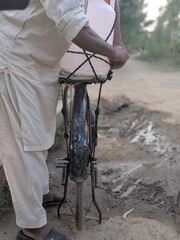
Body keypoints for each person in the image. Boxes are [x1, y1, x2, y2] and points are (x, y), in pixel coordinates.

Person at [0, 0, 129, 240]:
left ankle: (41, 194)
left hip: (39, 60)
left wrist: (117, 41)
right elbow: (72, 22)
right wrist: (112, 51)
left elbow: (113, 5)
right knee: (23, 142)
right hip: (14, 58)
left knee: (40, 132)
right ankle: (33, 228)